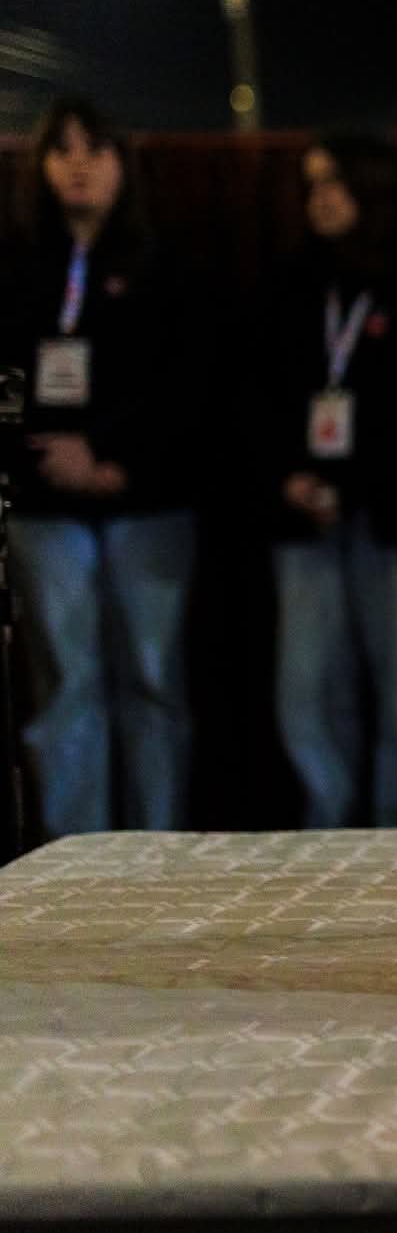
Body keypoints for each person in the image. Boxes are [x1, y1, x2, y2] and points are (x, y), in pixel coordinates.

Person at [0, 96, 199, 836]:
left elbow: (187, 385)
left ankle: (157, 856)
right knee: (67, 686)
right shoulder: (18, 264)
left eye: (96, 148)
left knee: (152, 680)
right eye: (63, 150)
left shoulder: (165, 265)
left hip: (147, 501)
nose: (78, 164)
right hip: (47, 506)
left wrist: (114, 458)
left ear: (123, 163)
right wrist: (47, 458)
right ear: (41, 166)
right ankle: (76, 862)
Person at [255, 134, 397, 828]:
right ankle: (329, 844)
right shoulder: (288, 282)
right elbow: (257, 396)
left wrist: (358, 484)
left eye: (336, 182)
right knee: (307, 695)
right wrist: (288, 477)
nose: (321, 198)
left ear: (374, 188)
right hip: (304, 514)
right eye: (311, 184)